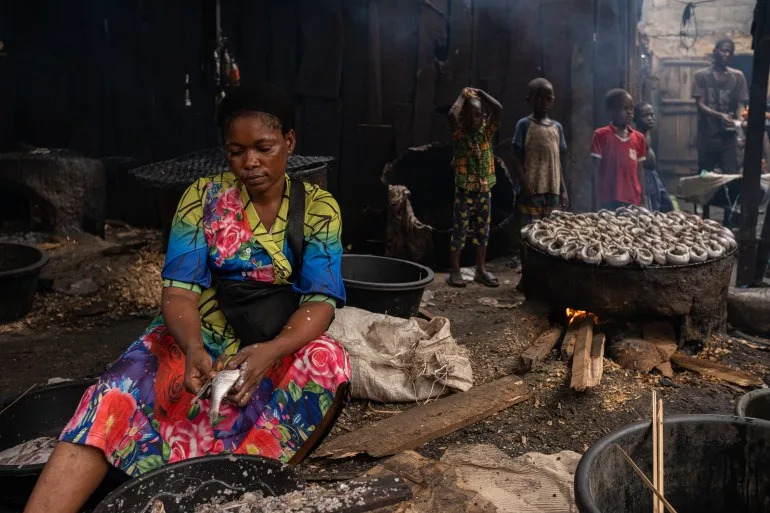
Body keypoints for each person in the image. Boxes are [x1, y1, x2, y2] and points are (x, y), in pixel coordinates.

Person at [24, 83, 351, 513]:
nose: (250, 162)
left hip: (274, 340)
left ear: (289, 142)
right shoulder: (202, 198)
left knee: (328, 361)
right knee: (115, 390)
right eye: (236, 151)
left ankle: (240, 485)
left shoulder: (319, 207)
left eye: (264, 148)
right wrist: (193, 347)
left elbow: (320, 300)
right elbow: (179, 292)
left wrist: (271, 352)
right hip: (202, 334)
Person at [446, 87, 503, 288]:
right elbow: (451, 115)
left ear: (483, 117)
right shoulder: (460, 135)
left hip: (484, 192)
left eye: (478, 115)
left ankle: (480, 269)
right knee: (460, 231)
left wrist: (481, 93)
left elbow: (498, 109)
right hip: (465, 192)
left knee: (482, 232)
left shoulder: (487, 133)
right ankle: (455, 270)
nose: (473, 119)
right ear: (463, 118)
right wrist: (462, 96)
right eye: (469, 116)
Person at [512, 78, 569, 224]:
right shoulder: (524, 125)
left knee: (549, 229)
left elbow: (557, 163)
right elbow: (516, 158)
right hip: (531, 190)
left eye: (548, 98)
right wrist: (524, 183)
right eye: (539, 98)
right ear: (529, 99)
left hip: (552, 190)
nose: (544, 102)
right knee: (528, 228)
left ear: (553, 100)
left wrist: (563, 190)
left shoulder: (557, 128)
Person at [692, 38, 749, 175]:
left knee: (731, 176)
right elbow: (700, 104)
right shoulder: (701, 75)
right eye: (724, 51)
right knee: (705, 177)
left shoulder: (738, 76)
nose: (727, 54)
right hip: (707, 137)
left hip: (728, 138)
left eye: (730, 52)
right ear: (715, 52)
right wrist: (720, 115)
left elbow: (741, 104)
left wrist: (739, 120)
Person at [591, 88, 646, 210]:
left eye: (631, 108)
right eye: (625, 108)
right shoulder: (601, 135)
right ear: (611, 111)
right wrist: (596, 203)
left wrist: (643, 200)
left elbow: (640, 171)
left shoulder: (639, 138)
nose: (630, 112)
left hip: (633, 199)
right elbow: (596, 171)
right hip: (608, 198)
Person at [633, 102, 674, 212]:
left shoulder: (646, 133)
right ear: (635, 119)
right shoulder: (636, 137)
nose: (650, 118)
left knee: (667, 205)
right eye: (645, 116)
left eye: (651, 115)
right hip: (645, 176)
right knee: (652, 207)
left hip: (653, 175)